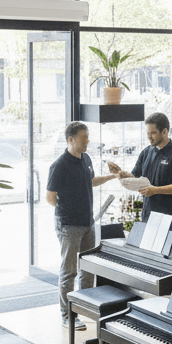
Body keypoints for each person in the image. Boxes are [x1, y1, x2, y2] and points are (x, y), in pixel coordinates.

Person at [46, 121, 119, 328]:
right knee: (69, 272)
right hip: (68, 225)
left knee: (88, 270)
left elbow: (91, 180)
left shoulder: (86, 159)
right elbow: (51, 198)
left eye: (88, 136)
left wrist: (113, 176)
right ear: (71, 139)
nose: (88, 140)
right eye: (84, 137)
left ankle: (84, 309)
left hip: (88, 223)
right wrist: (68, 210)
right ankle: (67, 316)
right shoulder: (59, 165)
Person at [109, 112, 172, 231]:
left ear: (165, 132)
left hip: (169, 218)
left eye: (153, 133)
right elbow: (135, 177)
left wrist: (156, 190)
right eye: (147, 133)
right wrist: (122, 174)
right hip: (148, 215)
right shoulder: (146, 152)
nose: (149, 136)